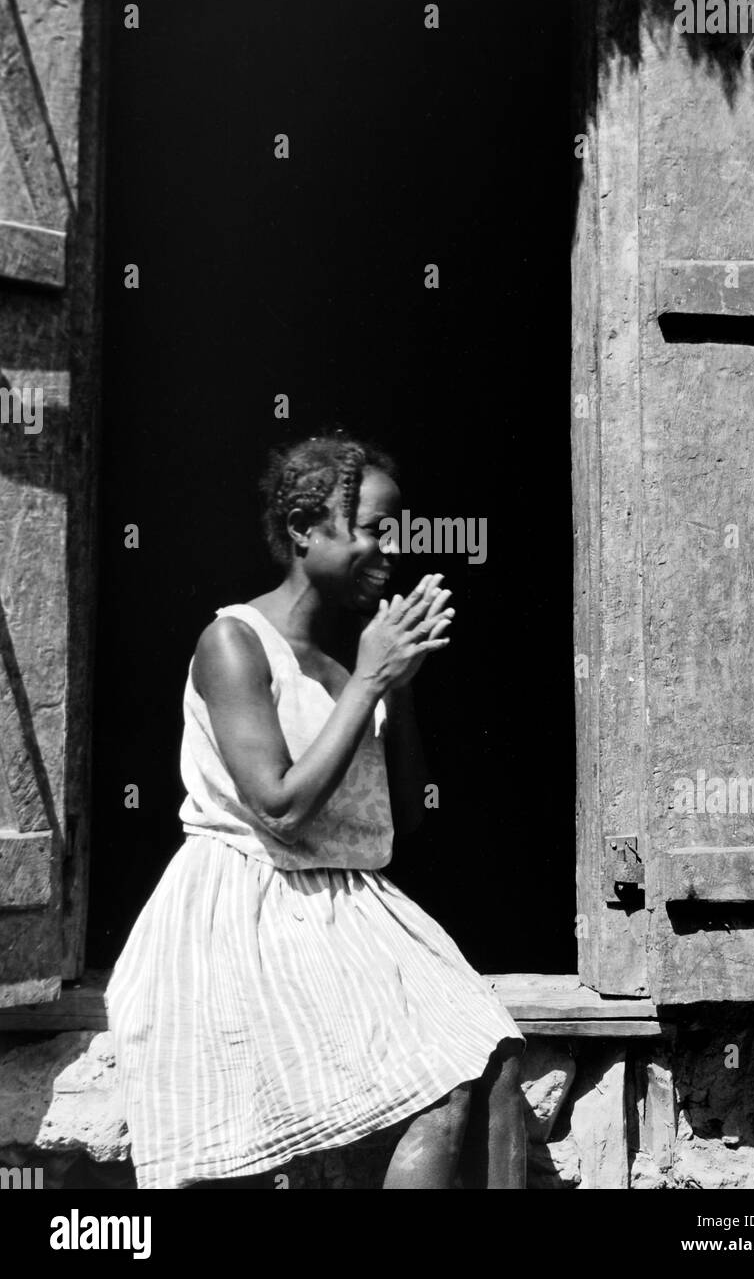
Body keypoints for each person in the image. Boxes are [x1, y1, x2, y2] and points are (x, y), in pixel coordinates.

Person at [107, 432, 525, 1189]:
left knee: (491, 1058)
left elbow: (404, 817)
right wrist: (370, 682)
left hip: (350, 902)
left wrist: (397, 688)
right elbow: (279, 808)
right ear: (304, 528)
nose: (390, 551)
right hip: (249, 901)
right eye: (373, 530)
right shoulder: (234, 642)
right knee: (438, 1081)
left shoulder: (347, 666)